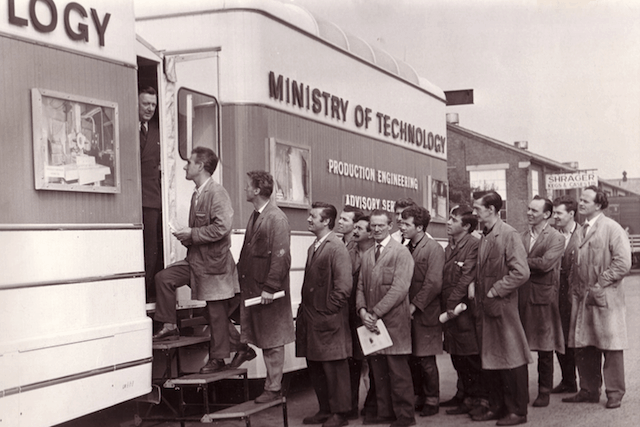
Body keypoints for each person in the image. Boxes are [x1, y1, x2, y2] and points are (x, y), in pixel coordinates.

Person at [153, 147, 246, 375]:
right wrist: (187, 237)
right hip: (196, 260)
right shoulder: (197, 193)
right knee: (164, 278)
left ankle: (219, 359)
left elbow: (223, 227)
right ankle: (169, 325)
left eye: (189, 163)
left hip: (214, 265)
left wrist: (192, 234)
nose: (185, 166)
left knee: (215, 314)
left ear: (201, 166)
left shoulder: (217, 193)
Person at [563, 186, 631, 409]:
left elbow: (623, 263)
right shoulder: (581, 229)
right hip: (583, 297)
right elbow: (575, 263)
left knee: (610, 346)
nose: (580, 203)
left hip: (605, 298)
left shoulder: (612, 228)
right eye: (580, 200)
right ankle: (589, 390)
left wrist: (600, 282)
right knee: (585, 344)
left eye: (585, 201)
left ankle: (614, 393)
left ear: (599, 205)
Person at [472, 191, 532, 426]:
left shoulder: (508, 234)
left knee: (512, 358)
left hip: (502, 307)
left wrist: (496, 289)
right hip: (488, 309)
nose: (474, 211)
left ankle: (518, 411)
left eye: (477, 207)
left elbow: (522, 272)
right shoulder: (485, 235)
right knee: (492, 359)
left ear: (491, 209)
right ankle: (498, 407)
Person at [237, 171, 295, 403]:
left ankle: (273, 389)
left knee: (272, 340)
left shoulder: (276, 219)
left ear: (258, 190)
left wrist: (270, 287)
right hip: (253, 289)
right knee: (263, 335)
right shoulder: (257, 215)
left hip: (268, 292)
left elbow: (281, 257)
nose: (245, 190)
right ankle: (271, 386)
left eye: (248, 186)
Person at [356, 209, 416, 427]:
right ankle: (386, 413)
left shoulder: (401, 253)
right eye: (373, 225)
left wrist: (375, 313)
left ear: (390, 226)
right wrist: (362, 310)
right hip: (372, 323)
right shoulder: (367, 254)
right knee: (378, 372)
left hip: (393, 323)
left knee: (398, 373)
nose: (376, 229)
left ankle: (405, 417)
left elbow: (400, 288)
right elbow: (361, 286)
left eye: (381, 225)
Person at [296, 202, 353, 427]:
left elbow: (343, 287)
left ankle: (340, 414)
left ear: (326, 221)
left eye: (313, 217)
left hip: (328, 321)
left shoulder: (335, 247)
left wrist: (326, 311)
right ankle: (325, 410)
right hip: (313, 321)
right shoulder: (315, 246)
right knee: (317, 366)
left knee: (334, 369)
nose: (309, 220)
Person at [518, 196, 565, 408]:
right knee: (520, 344)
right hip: (521, 297)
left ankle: (544, 391)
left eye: (534, 211)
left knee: (545, 347)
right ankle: (520, 392)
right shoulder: (521, 236)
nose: (529, 213)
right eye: (528, 209)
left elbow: (545, 264)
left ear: (546, 214)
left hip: (543, 299)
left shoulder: (556, 238)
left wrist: (519, 263)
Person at [399, 206, 444, 417]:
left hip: (424, 314)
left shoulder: (433, 249)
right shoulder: (406, 247)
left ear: (419, 227)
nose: (402, 227)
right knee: (413, 359)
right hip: (408, 314)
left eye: (407, 224)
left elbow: (433, 283)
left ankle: (432, 399)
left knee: (426, 361)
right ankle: (419, 396)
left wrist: (414, 306)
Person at [441, 206, 485, 416]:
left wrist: (450, 305)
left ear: (466, 226)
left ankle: (474, 398)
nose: (448, 223)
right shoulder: (450, 246)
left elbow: (466, 277)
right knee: (457, 356)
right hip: (452, 311)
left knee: (469, 357)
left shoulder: (473, 245)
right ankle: (464, 395)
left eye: (453, 219)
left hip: (463, 311)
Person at [346, 216, 378, 420]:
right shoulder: (348, 251)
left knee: (374, 363)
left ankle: (372, 405)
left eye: (359, 228)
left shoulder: (376, 254)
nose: (355, 231)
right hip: (351, 315)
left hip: (370, 314)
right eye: (354, 227)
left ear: (370, 233)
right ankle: (350, 406)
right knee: (353, 363)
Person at [550, 195, 580, 394]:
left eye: (559, 213)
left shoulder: (583, 235)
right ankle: (568, 380)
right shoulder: (555, 235)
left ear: (571, 214)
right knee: (559, 337)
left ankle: (587, 384)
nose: (555, 217)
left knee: (578, 339)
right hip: (557, 294)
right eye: (554, 213)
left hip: (576, 294)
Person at [139, 86, 162, 299]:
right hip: (135, 198)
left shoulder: (157, 130)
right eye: (146, 103)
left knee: (151, 251)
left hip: (152, 199)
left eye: (153, 104)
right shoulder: (130, 127)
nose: (150, 108)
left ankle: (146, 294)